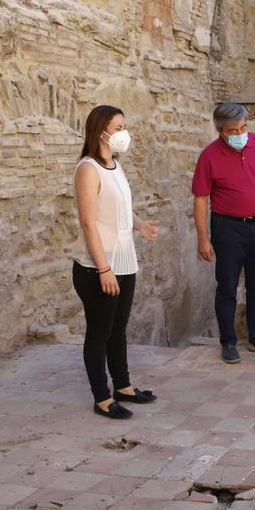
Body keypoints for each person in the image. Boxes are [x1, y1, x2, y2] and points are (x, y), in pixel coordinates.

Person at [71, 105, 160, 419]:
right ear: (101, 131)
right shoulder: (88, 168)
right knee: (99, 331)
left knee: (118, 328)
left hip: (125, 260)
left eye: (125, 125)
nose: (124, 133)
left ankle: (122, 386)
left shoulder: (114, 165)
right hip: (98, 265)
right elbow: (88, 222)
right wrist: (104, 268)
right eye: (119, 126)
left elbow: (120, 206)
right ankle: (102, 397)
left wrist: (139, 225)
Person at [192, 103, 255, 365]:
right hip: (227, 228)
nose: (240, 133)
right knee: (227, 285)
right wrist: (203, 238)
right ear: (221, 131)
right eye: (234, 130)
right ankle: (228, 341)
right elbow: (201, 199)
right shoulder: (209, 156)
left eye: (244, 127)